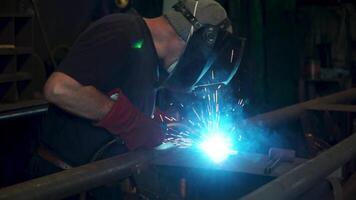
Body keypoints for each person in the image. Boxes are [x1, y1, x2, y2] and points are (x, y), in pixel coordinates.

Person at [30, 0, 240, 199]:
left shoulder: (149, 56)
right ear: (197, 38)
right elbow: (59, 89)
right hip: (62, 183)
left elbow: (113, 94)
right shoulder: (122, 30)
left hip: (95, 182)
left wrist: (158, 119)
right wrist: (132, 121)